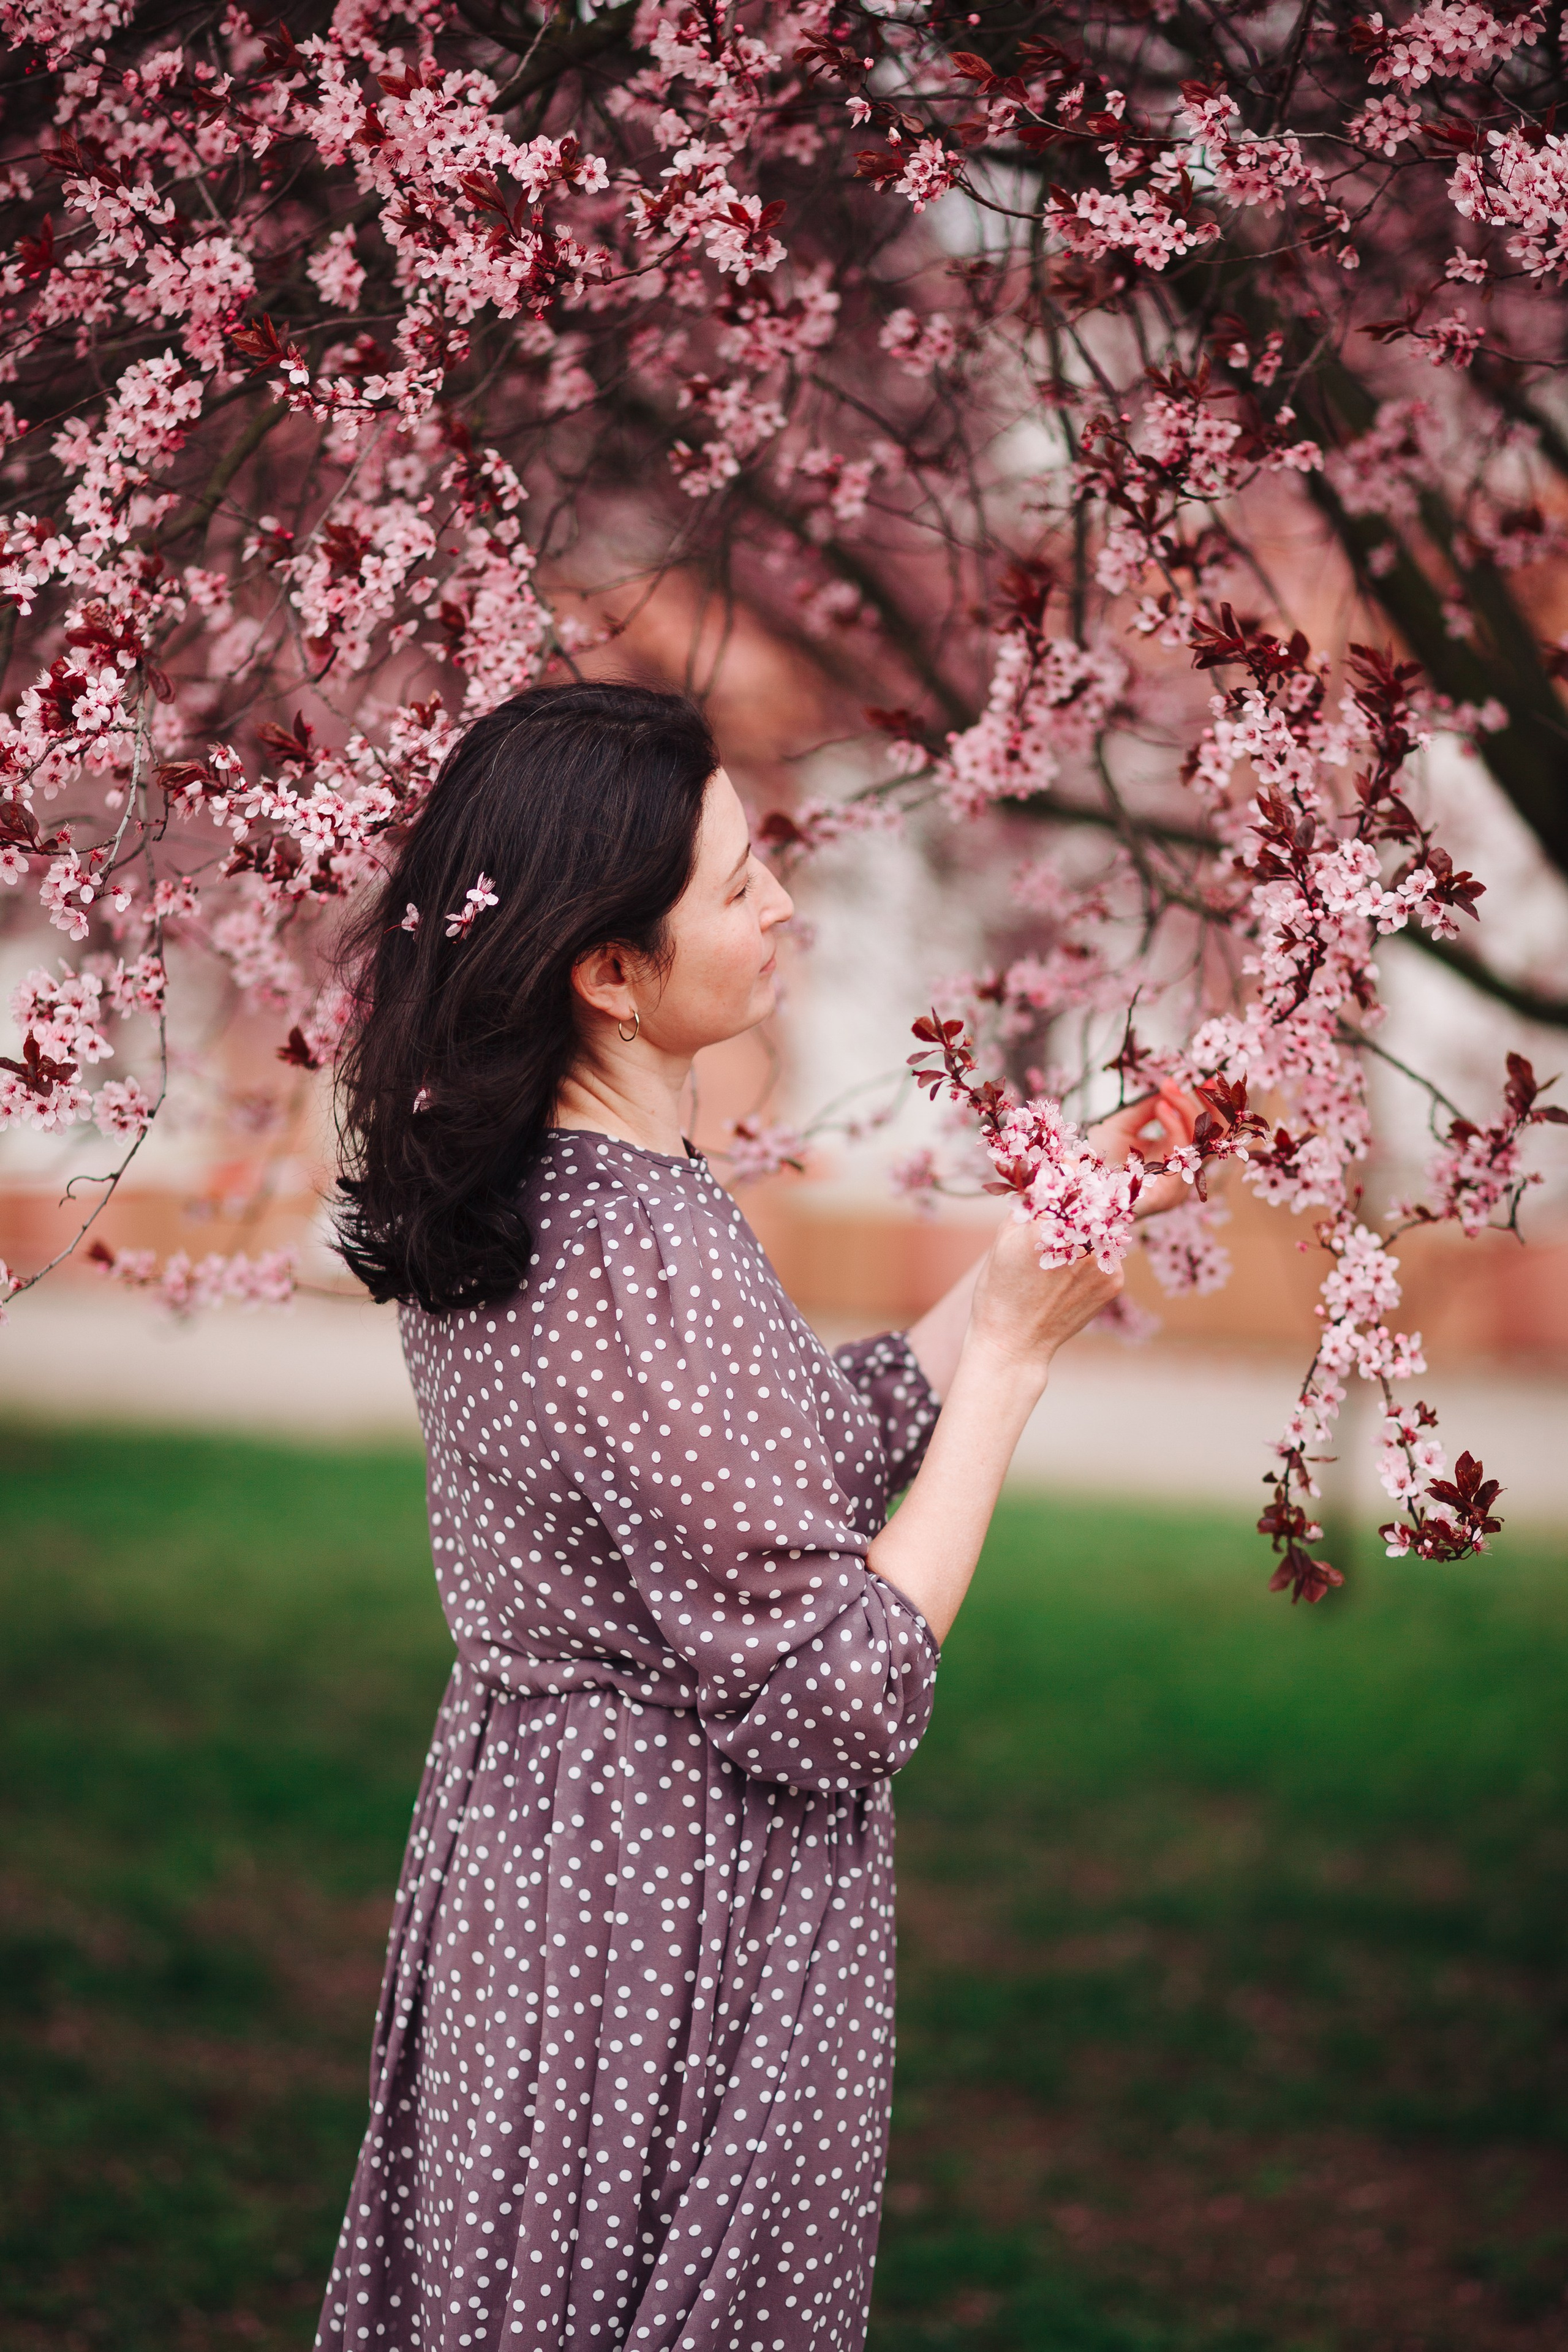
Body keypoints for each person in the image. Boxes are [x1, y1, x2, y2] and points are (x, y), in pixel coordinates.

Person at [321, 680, 1196, 2352]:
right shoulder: (631, 1247)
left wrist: (1013, 1258)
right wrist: (1010, 1371)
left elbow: (785, 1458)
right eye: (736, 885)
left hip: (554, 1864)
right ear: (608, 970)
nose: (785, 903)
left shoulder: (543, 1195)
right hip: (667, 1904)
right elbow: (836, 1688)